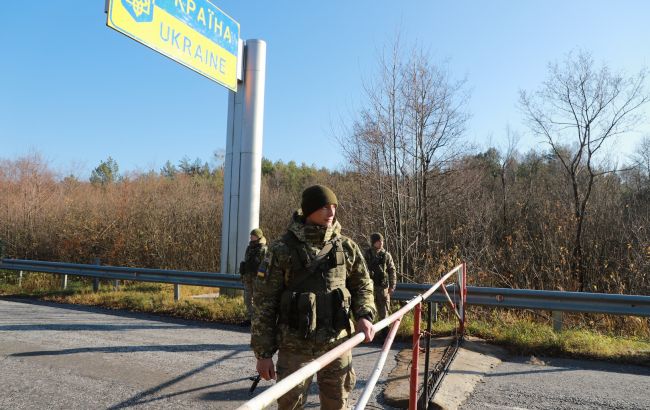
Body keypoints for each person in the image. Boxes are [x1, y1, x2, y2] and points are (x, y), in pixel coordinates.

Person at [251, 184, 376, 410]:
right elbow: (264, 302)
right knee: (290, 405)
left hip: (337, 342)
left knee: (337, 404)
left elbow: (363, 286)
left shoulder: (346, 247)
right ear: (309, 211)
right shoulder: (282, 249)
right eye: (325, 207)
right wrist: (264, 353)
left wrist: (365, 315)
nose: (332, 213)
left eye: (334, 207)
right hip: (295, 346)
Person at [364, 232, 397, 322]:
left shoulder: (386, 255)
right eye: (379, 241)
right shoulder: (367, 254)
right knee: (369, 313)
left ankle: (385, 333)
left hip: (383, 289)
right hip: (370, 288)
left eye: (382, 241)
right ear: (374, 242)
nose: (381, 243)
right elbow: (361, 271)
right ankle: (371, 333)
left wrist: (392, 286)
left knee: (384, 314)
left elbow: (392, 270)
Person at [239, 228, 268, 324]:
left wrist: (260, 278)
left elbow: (265, 265)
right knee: (247, 299)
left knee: (257, 299)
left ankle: (257, 319)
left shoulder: (263, 249)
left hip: (257, 278)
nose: (250, 237)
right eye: (251, 235)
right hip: (248, 277)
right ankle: (249, 318)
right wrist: (243, 271)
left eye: (252, 235)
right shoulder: (249, 247)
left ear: (258, 237)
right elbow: (246, 260)